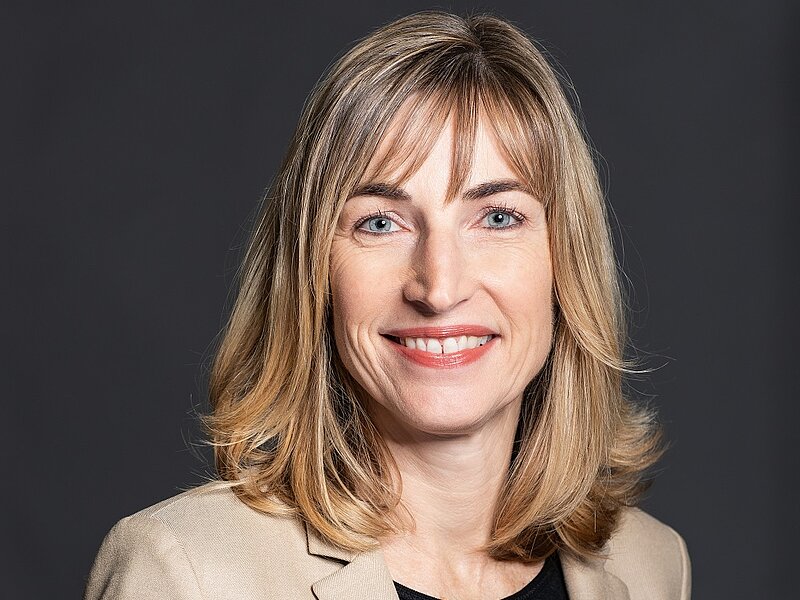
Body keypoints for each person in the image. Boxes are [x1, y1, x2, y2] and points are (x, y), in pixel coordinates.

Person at [84, 11, 690, 600]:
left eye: (498, 217)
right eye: (380, 222)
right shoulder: (185, 575)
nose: (439, 287)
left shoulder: (652, 566)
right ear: (313, 271)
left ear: (566, 262)